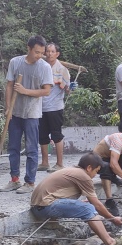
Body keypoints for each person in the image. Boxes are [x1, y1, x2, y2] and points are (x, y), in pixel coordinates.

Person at [29, 153, 122, 245]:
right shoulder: (84, 176)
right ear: (89, 168)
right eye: (96, 171)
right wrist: (112, 218)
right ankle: (110, 242)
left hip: (39, 207)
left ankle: (103, 234)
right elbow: (97, 205)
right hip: (45, 207)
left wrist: (79, 204)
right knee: (88, 208)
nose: (95, 175)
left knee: (85, 206)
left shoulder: (74, 171)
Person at [2, 36, 54, 193]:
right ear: (29, 48)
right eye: (37, 52)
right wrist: (8, 108)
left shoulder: (45, 67)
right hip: (15, 112)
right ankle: (14, 180)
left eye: (42, 53)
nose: (40, 56)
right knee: (13, 147)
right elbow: (9, 85)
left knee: (31, 148)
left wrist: (25, 91)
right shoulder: (15, 62)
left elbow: (46, 91)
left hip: (32, 113)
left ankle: (30, 182)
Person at [38, 43, 71, 173]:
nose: (50, 54)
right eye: (48, 51)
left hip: (55, 107)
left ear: (57, 54)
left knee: (56, 134)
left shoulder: (62, 70)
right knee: (42, 135)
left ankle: (59, 163)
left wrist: (70, 87)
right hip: (41, 106)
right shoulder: (41, 67)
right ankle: (45, 162)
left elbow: (67, 90)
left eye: (52, 51)